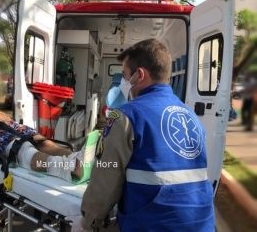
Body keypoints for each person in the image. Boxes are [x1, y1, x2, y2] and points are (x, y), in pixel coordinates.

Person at [66, 39, 215, 231]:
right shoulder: (190, 115)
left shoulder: (126, 115)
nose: (125, 83)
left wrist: (88, 222)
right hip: (203, 224)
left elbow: (106, 178)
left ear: (140, 75)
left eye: (126, 76)